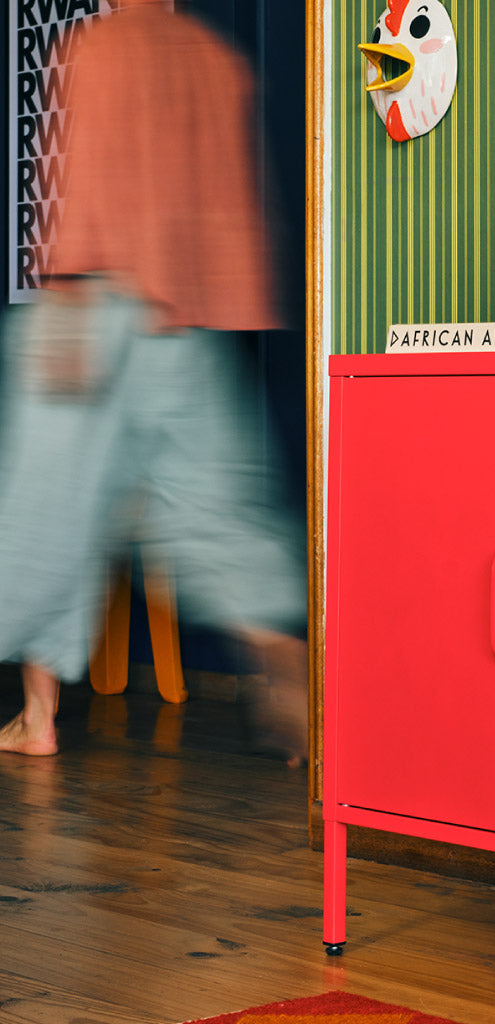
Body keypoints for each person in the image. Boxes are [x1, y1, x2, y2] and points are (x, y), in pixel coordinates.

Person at [0, 0, 308, 764]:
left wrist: (67, 296)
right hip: (184, 323)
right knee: (217, 517)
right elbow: (238, 218)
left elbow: (82, 186)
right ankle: (294, 668)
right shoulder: (216, 58)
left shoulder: (94, 46)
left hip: (95, 306)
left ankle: (39, 720)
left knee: (42, 519)